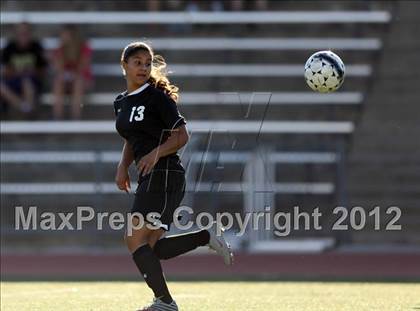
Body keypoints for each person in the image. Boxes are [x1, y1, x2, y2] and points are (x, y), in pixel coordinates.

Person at [114, 41, 233, 311]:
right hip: (150, 175)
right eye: (137, 62)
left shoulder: (157, 97)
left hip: (166, 172)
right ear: (125, 65)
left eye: (148, 62)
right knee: (152, 249)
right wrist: (123, 165)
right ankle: (205, 236)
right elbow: (132, 138)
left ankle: (165, 302)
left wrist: (155, 153)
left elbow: (182, 136)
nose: (144, 67)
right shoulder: (120, 102)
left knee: (133, 238)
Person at [0, 22, 46, 118]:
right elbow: (5, 71)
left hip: (32, 81)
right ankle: (25, 108)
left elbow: (42, 70)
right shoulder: (10, 47)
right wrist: (18, 72)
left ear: (30, 33)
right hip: (14, 80)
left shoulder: (36, 47)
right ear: (16, 33)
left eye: (26, 32)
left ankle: (26, 112)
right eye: (21, 32)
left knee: (27, 82)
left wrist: (30, 72)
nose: (23, 35)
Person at [52, 24, 92, 119]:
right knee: (58, 82)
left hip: (82, 80)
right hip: (66, 81)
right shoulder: (59, 49)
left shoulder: (84, 48)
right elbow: (59, 69)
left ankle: (76, 118)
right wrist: (61, 52)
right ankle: (57, 118)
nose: (63, 37)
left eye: (65, 34)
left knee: (78, 82)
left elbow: (83, 67)